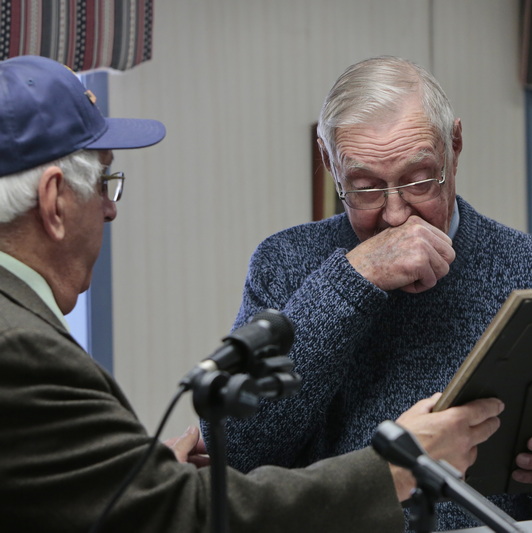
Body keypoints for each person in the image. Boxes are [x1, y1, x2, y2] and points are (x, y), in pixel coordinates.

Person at [0, 54, 506, 533]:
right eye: (105, 182)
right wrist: (393, 470)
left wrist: (149, 482)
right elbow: (190, 505)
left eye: (419, 180)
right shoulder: (23, 350)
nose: (110, 210)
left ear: (454, 149)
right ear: (53, 202)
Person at [216, 55, 532, 530]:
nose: (396, 214)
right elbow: (233, 457)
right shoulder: (285, 262)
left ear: (454, 145)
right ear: (327, 160)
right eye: (365, 188)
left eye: (418, 179)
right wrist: (351, 282)